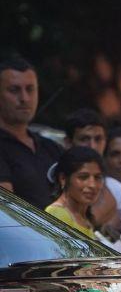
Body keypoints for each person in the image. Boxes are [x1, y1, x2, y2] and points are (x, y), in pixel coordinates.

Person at [0, 56, 62, 207]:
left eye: (30, 89)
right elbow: (5, 209)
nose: (24, 98)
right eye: (14, 90)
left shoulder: (51, 147)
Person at [64, 108, 121, 250]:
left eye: (98, 139)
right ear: (68, 142)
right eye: (84, 139)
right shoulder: (55, 176)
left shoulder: (116, 188)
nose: (92, 146)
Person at [44, 146, 104, 238]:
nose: (92, 185)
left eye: (97, 177)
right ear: (63, 178)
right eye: (83, 177)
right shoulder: (57, 214)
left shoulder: (84, 218)